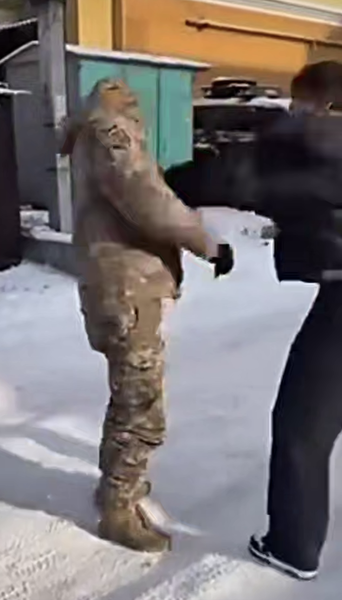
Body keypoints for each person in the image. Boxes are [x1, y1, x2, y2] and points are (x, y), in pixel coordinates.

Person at [59, 78, 218, 552]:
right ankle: (118, 510)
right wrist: (208, 243)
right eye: (134, 108)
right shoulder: (111, 134)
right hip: (127, 286)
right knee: (141, 405)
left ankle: (117, 485)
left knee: (127, 394)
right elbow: (148, 201)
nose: (138, 117)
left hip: (113, 285)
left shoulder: (88, 139)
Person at [245, 61, 342, 580]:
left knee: (301, 426)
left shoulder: (333, 145)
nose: (292, 112)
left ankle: (293, 547)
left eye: (299, 103)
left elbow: (235, 179)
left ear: (325, 106)